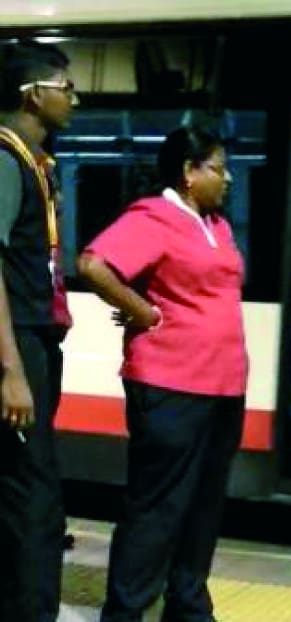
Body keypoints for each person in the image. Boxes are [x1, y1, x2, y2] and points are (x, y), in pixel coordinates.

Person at [77, 126, 245, 622]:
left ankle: (188, 606)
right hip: (171, 384)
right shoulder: (155, 216)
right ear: (190, 173)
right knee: (157, 509)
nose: (228, 177)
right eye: (218, 167)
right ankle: (126, 612)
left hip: (223, 386)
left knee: (204, 506)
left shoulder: (217, 223)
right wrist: (143, 311)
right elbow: (93, 264)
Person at [0, 41, 78, 622]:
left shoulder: (36, 161)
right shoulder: (5, 159)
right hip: (17, 344)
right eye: (64, 86)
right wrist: (11, 371)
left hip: (36, 340)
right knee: (33, 501)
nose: (73, 97)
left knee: (30, 496)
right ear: (33, 94)